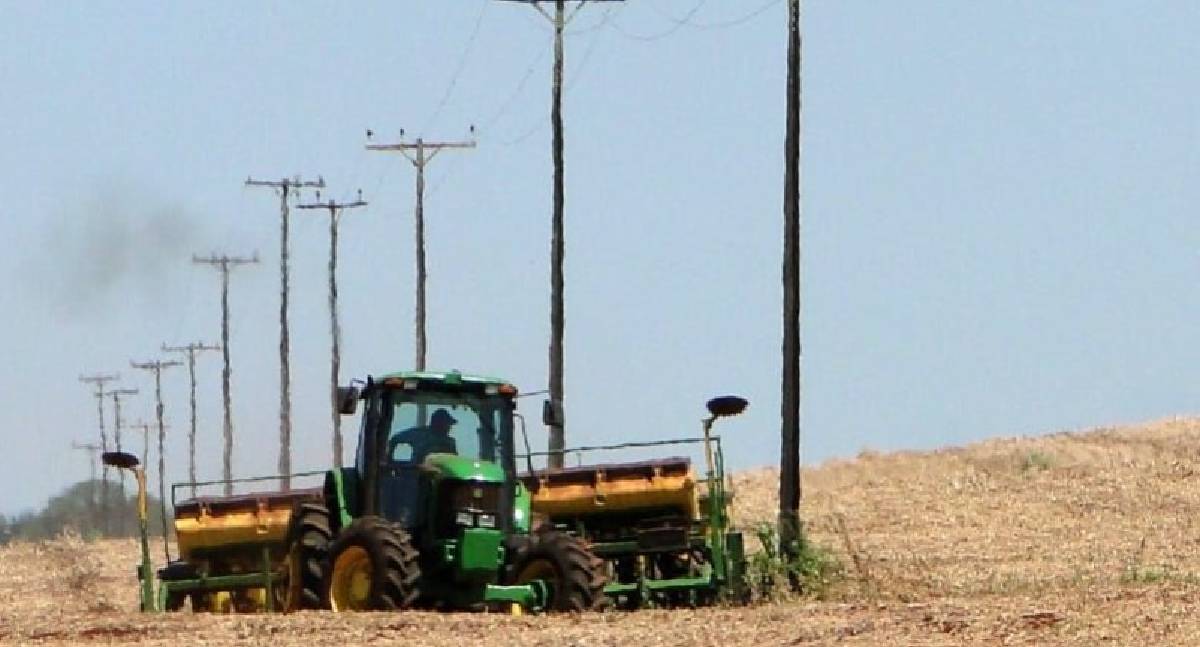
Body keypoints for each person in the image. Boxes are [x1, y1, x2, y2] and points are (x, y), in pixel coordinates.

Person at [388, 408, 458, 464]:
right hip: (416, 476)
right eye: (447, 424)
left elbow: (455, 463)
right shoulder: (419, 434)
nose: (449, 428)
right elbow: (395, 439)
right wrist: (389, 461)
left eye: (449, 425)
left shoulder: (450, 443)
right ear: (438, 423)